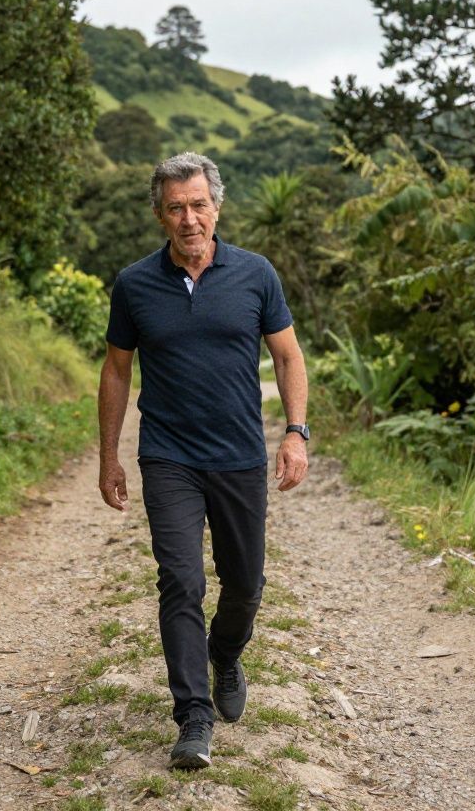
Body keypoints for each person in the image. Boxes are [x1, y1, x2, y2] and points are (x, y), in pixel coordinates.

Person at [97, 151, 309, 770]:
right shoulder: (135, 284)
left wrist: (295, 433)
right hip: (168, 456)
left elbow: (289, 357)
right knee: (181, 581)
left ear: (216, 207)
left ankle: (226, 653)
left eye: (198, 205)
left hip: (240, 454)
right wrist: (109, 456)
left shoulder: (256, 274)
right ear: (159, 216)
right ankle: (193, 716)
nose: (189, 218)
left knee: (244, 582)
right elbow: (116, 371)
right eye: (175, 208)